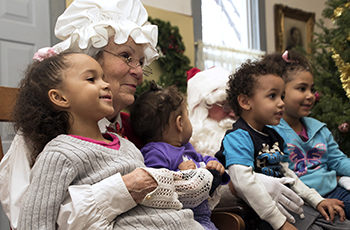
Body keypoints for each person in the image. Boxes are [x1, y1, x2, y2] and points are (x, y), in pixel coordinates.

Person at [0, 0, 205, 229]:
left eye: (141, 61)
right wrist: (122, 189)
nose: (138, 72)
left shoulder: (135, 129)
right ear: (90, 57)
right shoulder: (42, 136)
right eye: (126, 56)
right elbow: (27, 219)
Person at [215, 58, 349, 230]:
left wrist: (317, 201)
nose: (281, 103)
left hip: (289, 205)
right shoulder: (238, 137)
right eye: (273, 96)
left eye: (282, 96)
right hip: (260, 215)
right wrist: (280, 223)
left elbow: (288, 174)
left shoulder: (274, 136)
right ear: (245, 102)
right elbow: (244, 183)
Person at [187, 66, 307, 225]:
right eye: (225, 106)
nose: (232, 113)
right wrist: (241, 183)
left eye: (233, 106)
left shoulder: (262, 134)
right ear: (201, 109)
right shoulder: (188, 147)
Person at [129, 81, 230, 230]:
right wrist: (179, 174)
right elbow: (154, 186)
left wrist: (213, 163)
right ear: (180, 123)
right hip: (175, 218)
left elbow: (202, 160)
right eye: (187, 116)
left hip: (202, 216)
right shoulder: (154, 152)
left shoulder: (186, 148)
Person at [267, 50, 350, 219]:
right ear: (280, 92)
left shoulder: (319, 128)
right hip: (301, 199)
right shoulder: (271, 131)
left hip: (333, 190)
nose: (310, 96)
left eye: (312, 89)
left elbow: (338, 160)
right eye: (302, 88)